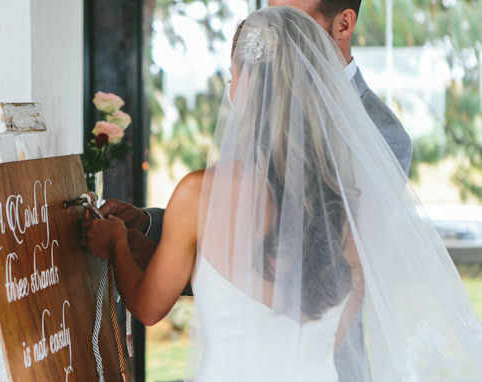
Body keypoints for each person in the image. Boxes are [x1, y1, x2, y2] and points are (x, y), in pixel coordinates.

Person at [82, 6, 482, 382]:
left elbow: (151, 307)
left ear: (247, 82)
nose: (229, 87)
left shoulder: (201, 193)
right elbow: (326, 308)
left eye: (231, 74)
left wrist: (115, 243)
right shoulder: (348, 205)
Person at [87, 0, 411, 272]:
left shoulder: (382, 133)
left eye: (292, 24)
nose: (274, 38)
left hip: (321, 342)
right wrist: (148, 225)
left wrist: (153, 260)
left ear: (343, 24)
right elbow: (238, 216)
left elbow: (337, 268)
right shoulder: (264, 103)